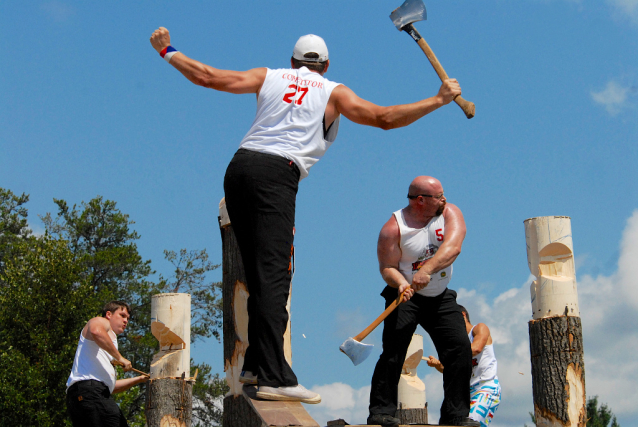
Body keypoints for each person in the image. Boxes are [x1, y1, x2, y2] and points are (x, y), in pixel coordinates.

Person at [149, 27, 463, 404]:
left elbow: (209, 77)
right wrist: (438, 100)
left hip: (239, 169)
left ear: (293, 62)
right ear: (327, 65)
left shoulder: (269, 76)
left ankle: (254, 363)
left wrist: (168, 50)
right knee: (275, 275)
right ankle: (275, 377)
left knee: (259, 273)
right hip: (276, 176)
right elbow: (384, 117)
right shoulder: (334, 91)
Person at [368, 176, 479, 427]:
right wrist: (401, 283)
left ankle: (455, 416)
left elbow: (453, 248)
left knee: (459, 350)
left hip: (439, 296)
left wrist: (426, 271)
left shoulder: (450, 213)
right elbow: (387, 266)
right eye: (439, 196)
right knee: (394, 351)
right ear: (420, 200)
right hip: (405, 298)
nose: (444, 199)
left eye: (443, 194)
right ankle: (381, 411)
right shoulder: (393, 229)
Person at [66, 301, 148, 427]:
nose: (126, 321)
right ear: (109, 314)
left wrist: (140, 379)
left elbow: (111, 387)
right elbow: (95, 331)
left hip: (88, 394)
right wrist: (120, 357)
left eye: (127, 318)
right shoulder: (102, 321)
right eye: (122, 315)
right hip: (90, 392)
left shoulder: (109, 343)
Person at [426, 306, 501, 427]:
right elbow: (455, 370)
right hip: (464, 393)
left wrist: (449, 355)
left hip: (485, 389)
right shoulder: (457, 342)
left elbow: (476, 348)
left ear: (462, 315)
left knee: (468, 424)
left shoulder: (479, 328)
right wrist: (439, 366)